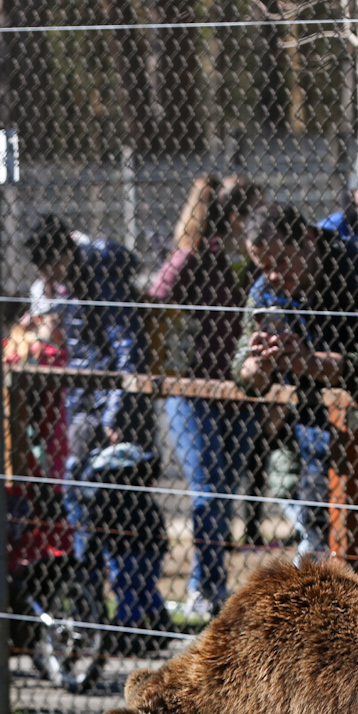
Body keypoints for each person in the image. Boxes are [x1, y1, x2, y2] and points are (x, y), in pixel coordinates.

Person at [234, 202, 358, 582]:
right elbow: (242, 371)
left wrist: (312, 364)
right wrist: (258, 368)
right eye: (264, 265)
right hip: (322, 441)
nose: (274, 274)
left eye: (282, 260)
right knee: (324, 545)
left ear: (309, 240)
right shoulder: (266, 292)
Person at [52, 227, 168, 637]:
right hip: (91, 408)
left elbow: (127, 348)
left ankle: (130, 614)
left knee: (107, 507)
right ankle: (131, 611)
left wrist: (112, 418)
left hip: (110, 415)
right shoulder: (78, 283)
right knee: (112, 510)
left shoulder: (101, 278)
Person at [150, 176, 256, 617]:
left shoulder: (253, 261)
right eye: (254, 213)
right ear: (234, 217)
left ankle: (212, 582)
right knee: (208, 489)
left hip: (242, 390)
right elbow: (157, 297)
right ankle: (204, 587)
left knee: (226, 490)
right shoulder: (196, 257)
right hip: (193, 390)